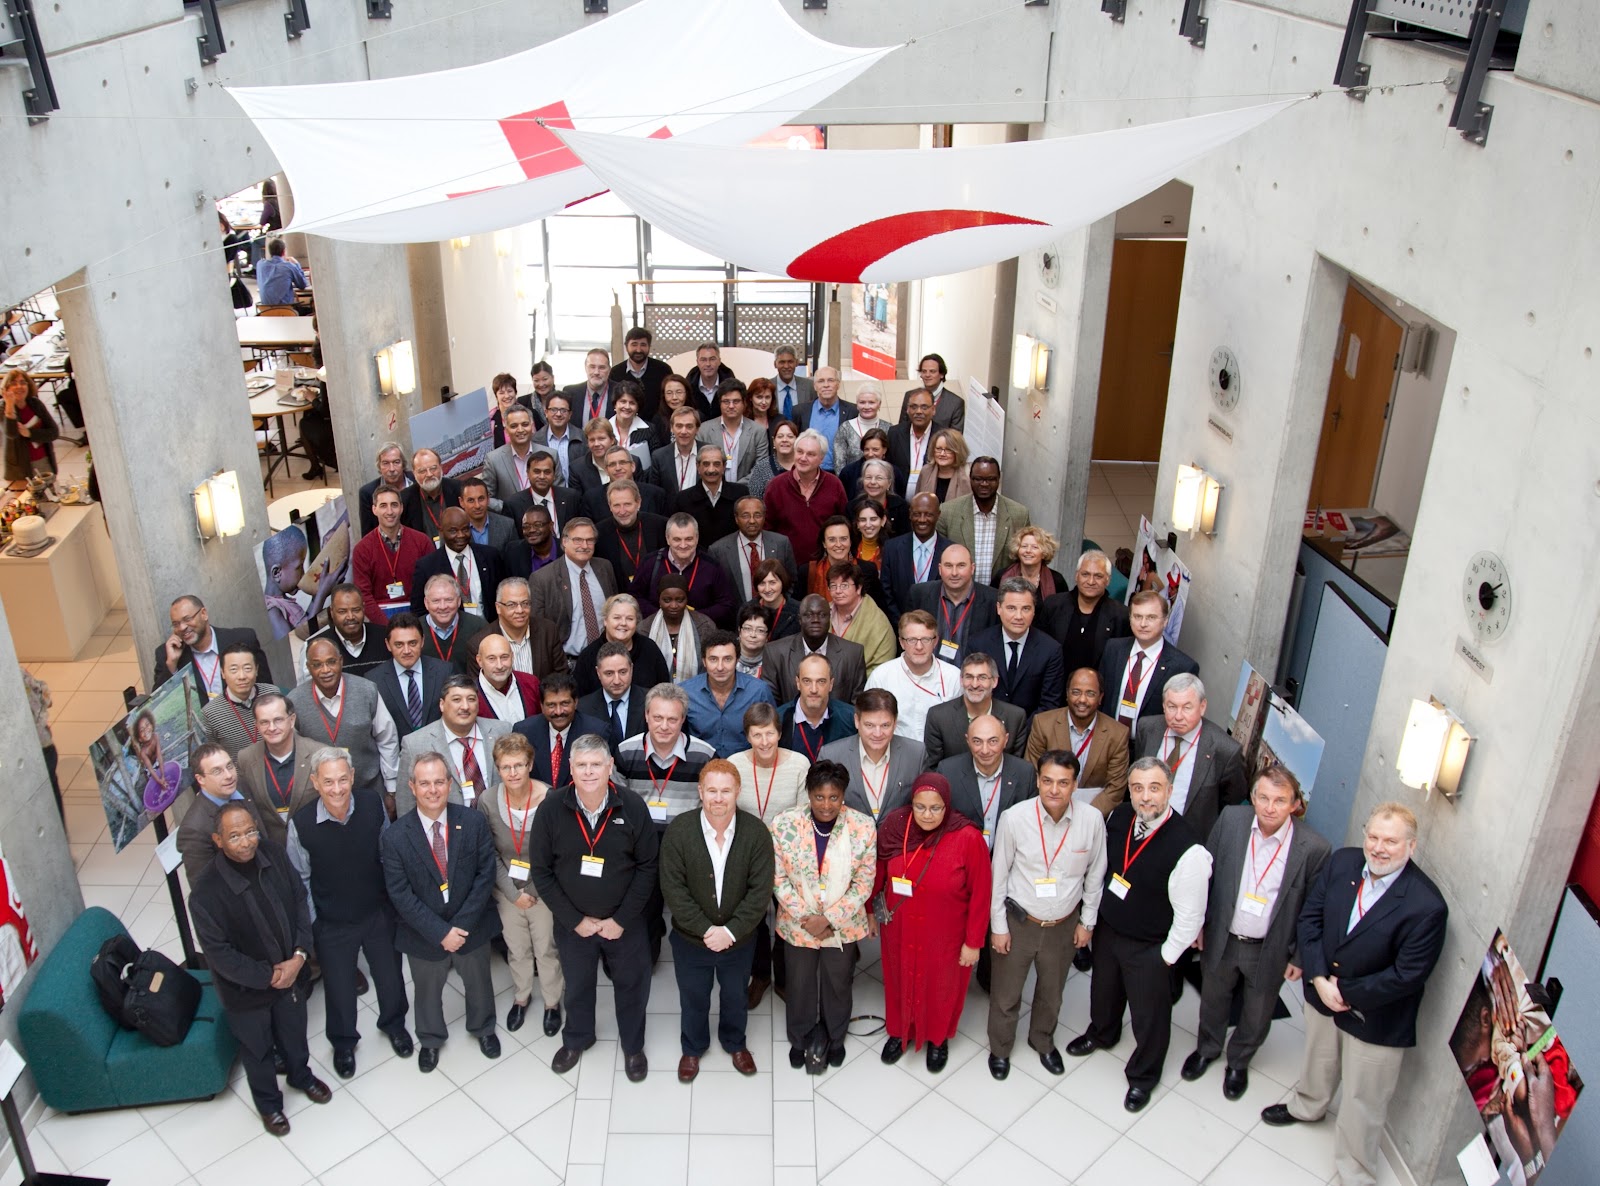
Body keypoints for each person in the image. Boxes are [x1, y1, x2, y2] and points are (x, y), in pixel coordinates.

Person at [1261, 803, 1448, 1186]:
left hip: (1375, 1018)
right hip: (1321, 992)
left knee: (1364, 1101)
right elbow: (1310, 918)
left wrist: (1343, 992)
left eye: (1391, 841)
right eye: (1374, 837)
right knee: (1318, 1060)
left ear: (1411, 847)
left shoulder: (1427, 905)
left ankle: (1356, 1173)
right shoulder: (1343, 862)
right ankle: (1308, 1106)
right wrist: (1317, 977)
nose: (1379, 848)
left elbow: (1407, 975)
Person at [1066, 757, 1213, 1113]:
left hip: (1152, 946)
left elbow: (1191, 917)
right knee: (1104, 991)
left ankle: (1144, 1075)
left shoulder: (1189, 850)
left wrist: (1165, 958)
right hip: (1111, 931)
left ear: (1169, 791)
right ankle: (1102, 1033)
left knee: (1150, 1016)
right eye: (1137, 788)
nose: (1145, 797)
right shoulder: (1119, 818)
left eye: (1154, 788)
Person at [1184, 767, 1332, 1100]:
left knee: (1258, 1010)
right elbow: (1204, 874)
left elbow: (1313, 908)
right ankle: (1207, 1049)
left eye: (1280, 800)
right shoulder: (1232, 821)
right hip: (1222, 935)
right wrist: (1198, 925)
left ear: (1295, 804)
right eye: (1263, 797)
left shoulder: (1314, 848)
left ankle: (1238, 1062)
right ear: (1252, 797)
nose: (1269, 807)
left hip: (1271, 947)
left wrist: (1298, 956)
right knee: (1213, 999)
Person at [189, 802, 330, 1136]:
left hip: (291, 973)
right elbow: (220, 955)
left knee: (294, 1036)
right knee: (258, 1050)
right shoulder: (205, 893)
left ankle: (301, 1076)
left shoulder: (273, 854)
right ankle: (270, 1106)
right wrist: (268, 976)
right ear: (218, 840)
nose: (247, 842)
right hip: (246, 992)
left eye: (250, 831)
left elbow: (298, 898)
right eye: (235, 836)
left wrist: (298, 957)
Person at [528, 734, 658, 1082]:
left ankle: (633, 1046)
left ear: (609, 766)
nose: (588, 772)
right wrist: (573, 920)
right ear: (570, 767)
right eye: (581, 765)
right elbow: (541, 871)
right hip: (575, 926)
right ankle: (578, 1038)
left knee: (632, 985)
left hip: (624, 924)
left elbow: (648, 867)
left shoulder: (631, 806)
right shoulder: (551, 809)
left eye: (596, 764)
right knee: (579, 984)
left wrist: (621, 920)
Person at [285, 747, 414, 1079]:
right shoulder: (301, 824)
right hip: (332, 923)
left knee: (390, 977)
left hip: (376, 912)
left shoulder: (372, 806)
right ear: (315, 782)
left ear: (353, 777)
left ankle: (394, 1025)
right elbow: (300, 881)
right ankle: (343, 1044)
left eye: (343, 779)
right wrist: (316, 925)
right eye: (328, 781)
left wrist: (393, 904)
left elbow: (387, 855)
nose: (337, 788)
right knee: (340, 990)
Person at [986, 749, 1106, 1079]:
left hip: (1063, 924)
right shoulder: (1015, 818)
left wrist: (1088, 922)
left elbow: (1096, 874)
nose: (1054, 790)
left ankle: (1042, 1041)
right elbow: (999, 877)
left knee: (1051, 993)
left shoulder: (1092, 821)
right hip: (1019, 921)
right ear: (1038, 780)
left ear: (1075, 785)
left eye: (1063, 783)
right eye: (1048, 781)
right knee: (1006, 994)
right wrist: (998, 926)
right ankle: (1000, 1048)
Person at [381, 751, 503, 1073]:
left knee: (478, 982)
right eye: (424, 783)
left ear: (450, 784)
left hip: (470, 925)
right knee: (427, 991)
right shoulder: (394, 836)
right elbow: (400, 894)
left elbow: (485, 875)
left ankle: (484, 1028)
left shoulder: (473, 821)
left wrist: (459, 928)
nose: (432, 790)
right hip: (423, 932)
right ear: (412, 786)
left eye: (439, 782)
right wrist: (440, 933)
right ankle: (431, 1039)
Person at [659, 759, 775, 1081]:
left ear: (738, 791)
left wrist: (731, 931)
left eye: (726, 790)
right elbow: (673, 889)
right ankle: (693, 1048)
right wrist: (708, 930)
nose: (719, 798)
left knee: (736, 995)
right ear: (700, 791)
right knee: (693, 995)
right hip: (690, 940)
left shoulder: (756, 833)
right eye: (712, 790)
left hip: (739, 941)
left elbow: (760, 891)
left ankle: (735, 1043)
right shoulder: (680, 831)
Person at [875, 772, 992, 1073]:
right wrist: (868, 913)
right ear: (911, 804)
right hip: (899, 928)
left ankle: (938, 1039)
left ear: (947, 806)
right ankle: (899, 1032)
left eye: (936, 808)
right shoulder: (895, 828)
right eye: (920, 807)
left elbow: (982, 893)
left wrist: (974, 942)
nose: (927, 815)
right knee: (900, 979)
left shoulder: (968, 837)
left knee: (941, 987)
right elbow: (877, 875)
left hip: (945, 935)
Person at [771, 760, 877, 1072]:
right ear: (809, 794)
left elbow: (864, 882)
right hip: (797, 924)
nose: (826, 805)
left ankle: (835, 1037)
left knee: (837, 984)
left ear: (843, 796)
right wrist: (808, 917)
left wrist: (828, 919)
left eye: (834, 797)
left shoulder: (862, 827)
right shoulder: (784, 824)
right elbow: (778, 879)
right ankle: (800, 1038)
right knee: (799, 984)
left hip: (841, 927)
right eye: (819, 797)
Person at [479, 733, 564, 1038]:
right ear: (497, 769)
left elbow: (559, 853)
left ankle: (553, 1003)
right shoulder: (487, 800)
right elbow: (488, 852)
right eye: (505, 767)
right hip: (507, 891)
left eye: (519, 765)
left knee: (546, 948)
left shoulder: (552, 797)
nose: (513, 773)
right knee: (517, 949)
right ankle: (522, 996)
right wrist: (514, 894)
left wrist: (534, 891)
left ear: (530, 765)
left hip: (543, 890)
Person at [1132, 672, 1248, 844]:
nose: (1178, 716)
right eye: (1172, 707)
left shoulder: (1225, 750)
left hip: (1188, 840)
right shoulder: (1147, 728)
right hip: (1144, 829)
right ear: (1163, 705)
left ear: (1202, 707)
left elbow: (1231, 802)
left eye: (1187, 708)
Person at [288, 638, 399, 810]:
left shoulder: (367, 690)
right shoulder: (295, 702)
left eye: (331, 662)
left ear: (341, 661)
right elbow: (293, 753)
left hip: (369, 791)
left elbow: (387, 739)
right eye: (317, 665)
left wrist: (391, 789)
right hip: (322, 799)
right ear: (309, 668)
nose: (326, 670)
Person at [396, 673, 513, 814]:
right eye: (456, 700)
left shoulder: (502, 731)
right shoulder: (414, 743)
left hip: (499, 824)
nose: (465, 706)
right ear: (442, 704)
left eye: (471, 699)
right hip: (446, 829)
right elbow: (405, 802)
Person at [1026, 667, 1132, 816]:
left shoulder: (1117, 733)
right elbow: (1032, 775)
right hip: (1048, 811)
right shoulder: (1043, 724)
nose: (1082, 699)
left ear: (1100, 697)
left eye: (1090, 693)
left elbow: (1115, 789)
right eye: (1076, 692)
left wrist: (1084, 818)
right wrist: (1054, 810)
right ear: (1067, 694)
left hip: (1094, 815)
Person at [820, 688, 926, 824]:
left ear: (895, 723)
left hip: (899, 841)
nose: (877, 733)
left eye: (885, 725)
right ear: (857, 721)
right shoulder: (832, 755)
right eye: (869, 725)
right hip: (847, 840)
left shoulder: (915, 753)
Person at [1097, 590, 1199, 729]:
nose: (1143, 624)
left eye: (1151, 617)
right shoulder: (1113, 648)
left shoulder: (1182, 667)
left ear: (1165, 621)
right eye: (1137, 616)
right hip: (1108, 737)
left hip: (1148, 746)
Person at [969, 577, 1066, 720]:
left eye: (1026, 609)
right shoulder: (978, 644)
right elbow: (972, 692)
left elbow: (1048, 704)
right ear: (999, 608)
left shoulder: (1050, 650)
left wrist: (1019, 733)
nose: (1019, 616)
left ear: (1034, 611)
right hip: (984, 729)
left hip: (1030, 734)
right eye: (1011, 608)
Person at [937, 713, 1038, 846]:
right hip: (962, 854)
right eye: (977, 741)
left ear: (1006, 740)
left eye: (993, 741)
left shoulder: (1024, 772)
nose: (985, 750)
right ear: (968, 740)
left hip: (1010, 855)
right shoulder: (948, 771)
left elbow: (1030, 824)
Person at [864, 609, 961, 743]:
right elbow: (867, 722)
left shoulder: (954, 677)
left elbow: (960, 726)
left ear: (935, 641)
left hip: (940, 755)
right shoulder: (881, 676)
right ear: (902, 642)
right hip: (894, 754)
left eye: (926, 639)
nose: (919, 646)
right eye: (912, 640)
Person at [236, 693, 319, 848]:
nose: (272, 728)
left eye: (278, 720)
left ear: (292, 720)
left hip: (314, 846)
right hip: (273, 851)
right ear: (257, 725)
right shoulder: (245, 758)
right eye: (264, 722)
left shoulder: (318, 754)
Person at [528, 517, 617, 658]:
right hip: (568, 662)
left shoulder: (605, 568)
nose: (584, 545)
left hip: (607, 657)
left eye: (590, 540)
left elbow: (614, 610)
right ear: (564, 542)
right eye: (578, 540)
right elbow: (537, 628)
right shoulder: (542, 578)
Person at [921, 651, 1027, 769]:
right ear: (961, 681)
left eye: (982, 677)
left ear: (995, 681)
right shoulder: (938, 716)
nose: (975, 684)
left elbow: (1016, 769)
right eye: (969, 677)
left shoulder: (1015, 717)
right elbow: (932, 768)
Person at [763, 428, 848, 574]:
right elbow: (767, 529)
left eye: (810, 454)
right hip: (786, 568)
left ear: (821, 458)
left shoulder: (834, 485)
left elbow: (844, 524)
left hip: (825, 568)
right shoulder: (776, 486)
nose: (803, 458)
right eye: (800, 451)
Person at [177, 743, 262, 885]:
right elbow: (204, 887)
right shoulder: (193, 829)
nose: (229, 775)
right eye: (217, 771)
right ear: (200, 779)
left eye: (229, 766)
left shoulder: (240, 785)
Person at [152, 594, 272, 695]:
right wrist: (171, 667)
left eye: (188, 619)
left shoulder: (243, 639)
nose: (182, 627)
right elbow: (155, 707)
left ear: (204, 614)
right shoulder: (167, 654)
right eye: (176, 624)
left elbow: (266, 688)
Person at [632, 512, 737, 626]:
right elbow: (635, 597)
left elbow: (726, 605)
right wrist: (664, 615)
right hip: (657, 628)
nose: (683, 545)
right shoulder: (650, 563)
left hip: (699, 630)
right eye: (677, 539)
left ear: (697, 538)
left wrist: (694, 617)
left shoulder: (711, 566)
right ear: (667, 539)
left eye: (688, 539)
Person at [683, 629, 777, 758]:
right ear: (704, 662)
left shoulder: (758, 691)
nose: (720, 667)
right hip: (698, 770)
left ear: (737, 660)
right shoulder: (685, 692)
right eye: (713, 659)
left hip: (747, 770)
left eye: (727, 659)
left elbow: (772, 734)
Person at [938, 457, 1031, 586]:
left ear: (999, 480)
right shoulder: (948, 512)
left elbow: (1025, 561)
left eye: (990, 479)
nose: (984, 484)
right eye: (978, 479)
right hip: (958, 594)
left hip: (1001, 595)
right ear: (970, 479)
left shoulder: (1019, 514)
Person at [904, 545, 1000, 666]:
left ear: (972, 568)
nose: (954, 573)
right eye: (948, 566)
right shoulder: (919, 594)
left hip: (972, 680)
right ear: (940, 569)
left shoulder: (992, 599)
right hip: (927, 677)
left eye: (961, 565)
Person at [408, 507, 504, 623]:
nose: (460, 535)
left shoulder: (490, 556)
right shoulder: (427, 566)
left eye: (465, 529)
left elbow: (502, 597)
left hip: (488, 630)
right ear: (441, 531)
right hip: (450, 634)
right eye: (453, 531)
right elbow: (418, 611)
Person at [352, 486, 434, 623]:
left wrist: (419, 622)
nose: (389, 511)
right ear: (374, 509)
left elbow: (433, 583)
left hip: (419, 614)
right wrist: (386, 626)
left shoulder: (422, 542)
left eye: (394, 505)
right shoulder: (362, 549)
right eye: (383, 506)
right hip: (380, 617)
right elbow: (363, 595)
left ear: (401, 508)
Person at [514, 673, 606, 789]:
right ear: (541, 706)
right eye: (551, 705)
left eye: (564, 703)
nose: (558, 711)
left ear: (576, 702)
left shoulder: (596, 731)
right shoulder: (524, 732)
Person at [469, 576, 569, 681]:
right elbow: (478, 689)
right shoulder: (479, 643)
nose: (520, 610)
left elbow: (561, 676)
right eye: (511, 605)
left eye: (525, 603)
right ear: (498, 608)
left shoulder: (548, 631)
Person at [367, 612, 450, 738]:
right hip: (397, 754)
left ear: (422, 641)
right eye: (399, 644)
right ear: (388, 645)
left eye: (412, 643)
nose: (406, 651)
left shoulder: (444, 672)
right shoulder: (373, 680)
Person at [573, 593, 670, 696]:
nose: (623, 623)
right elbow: (580, 700)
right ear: (605, 620)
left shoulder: (649, 649)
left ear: (636, 622)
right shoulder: (589, 656)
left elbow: (665, 691)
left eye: (629, 619)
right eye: (617, 618)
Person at [708, 496, 798, 604]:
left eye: (757, 515)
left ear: (764, 517)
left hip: (775, 614)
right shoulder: (718, 550)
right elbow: (716, 591)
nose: (752, 521)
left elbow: (791, 581)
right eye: (745, 515)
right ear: (736, 519)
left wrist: (779, 605)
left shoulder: (781, 543)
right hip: (736, 617)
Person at [201, 641, 277, 759]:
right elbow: (213, 756)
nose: (241, 676)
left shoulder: (272, 694)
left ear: (256, 670)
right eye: (233, 670)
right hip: (240, 776)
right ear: (223, 673)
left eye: (247, 668)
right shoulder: (211, 713)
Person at [880, 492, 948, 620]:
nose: (922, 520)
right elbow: (886, 591)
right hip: (900, 628)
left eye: (928, 514)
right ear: (910, 514)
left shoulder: (949, 550)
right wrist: (902, 624)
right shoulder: (892, 548)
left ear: (938, 515)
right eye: (917, 514)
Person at [261, 525, 338, 636]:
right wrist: (321, 594)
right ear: (277, 573)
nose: (303, 573)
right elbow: (300, 637)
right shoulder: (273, 612)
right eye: (299, 567)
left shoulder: (284, 601)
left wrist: (318, 593)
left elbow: (306, 621)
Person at [779, 653, 857, 759]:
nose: (814, 689)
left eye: (821, 681)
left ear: (831, 684)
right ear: (798, 683)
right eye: (807, 681)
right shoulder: (779, 719)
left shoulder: (851, 718)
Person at [302, 583, 390, 677]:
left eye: (356, 610)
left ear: (364, 609)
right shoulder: (313, 646)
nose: (350, 617)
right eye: (342, 611)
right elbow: (307, 688)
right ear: (332, 612)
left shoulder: (386, 638)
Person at [640, 574, 715, 681]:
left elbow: (712, 663)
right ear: (659, 600)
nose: (674, 605)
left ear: (687, 599)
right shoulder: (645, 628)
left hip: (697, 691)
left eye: (680, 600)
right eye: (667, 600)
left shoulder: (704, 625)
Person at [826, 561, 894, 676]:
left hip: (862, 687)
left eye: (844, 585)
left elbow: (882, 668)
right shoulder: (824, 612)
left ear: (858, 588)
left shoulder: (878, 622)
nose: (838, 591)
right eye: (833, 586)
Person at [594, 478, 667, 587]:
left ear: (638, 503)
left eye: (627, 504)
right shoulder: (599, 533)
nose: (622, 511)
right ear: (610, 506)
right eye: (616, 505)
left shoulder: (660, 526)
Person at [579, 641, 647, 755]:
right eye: (609, 673)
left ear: (631, 669)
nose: (616, 681)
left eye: (623, 672)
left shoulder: (650, 701)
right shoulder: (583, 708)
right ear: (598, 673)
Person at [697, 379, 770, 484]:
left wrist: (735, 490)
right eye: (726, 401)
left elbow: (760, 469)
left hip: (745, 493)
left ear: (744, 403)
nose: (731, 406)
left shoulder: (758, 431)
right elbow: (700, 465)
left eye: (736, 401)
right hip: (712, 491)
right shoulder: (704, 430)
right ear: (720, 403)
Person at [416, 574, 489, 672]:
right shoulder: (415, 630)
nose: (442, 606)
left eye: (449, 600)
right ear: (426, 603)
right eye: (436, 601)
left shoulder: (479, 628)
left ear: (459, 601)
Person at [792, 366, 856, 472]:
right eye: (821, 381)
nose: (826, 385)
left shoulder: (852, 411)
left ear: (838, 384)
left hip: (840, 474)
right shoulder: (800, 411)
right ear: (815, 386)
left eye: (831, 380)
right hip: (808, 473)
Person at [503, 449, 580, 535]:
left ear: (554, 475)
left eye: (547, 472)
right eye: (537, 472)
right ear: (528, 473)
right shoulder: (513, 504)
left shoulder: (571, 497)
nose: (542, 476)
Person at [473, 631, 540, 722]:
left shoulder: (531, 683)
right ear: (479, 661)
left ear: (512, 657)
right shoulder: (471, 694)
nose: (499, 666)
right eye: (491, 659)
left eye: (504, 657)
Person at [401, 448, 461, 544]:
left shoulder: (458, 489)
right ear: (414, 473)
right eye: (422, 471)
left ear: (440, 468)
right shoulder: (404, 500)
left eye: (433, 468)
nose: (429, 474)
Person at [610, 326, 670, 421]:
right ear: (626, 346)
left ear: (649, 347)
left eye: (643, 345)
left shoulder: (663, 370)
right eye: (634, 344)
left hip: (658, 426)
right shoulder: (616, 372)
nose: (638, 349)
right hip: (625, 425)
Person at [887, 389, 937, 498]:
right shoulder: (894, 433)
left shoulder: (942, 435)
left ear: (933, 410)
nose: (918, 411)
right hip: (899, 500)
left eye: (924, 407)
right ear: (908, 410)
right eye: (913, 407)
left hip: (932, 501)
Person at [997, 524, 1069, 598]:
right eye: (1024, 546)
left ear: (1044, 553)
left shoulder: (1057, 580)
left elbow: (1063, 607)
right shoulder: (1002, 576)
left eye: (1035, 547)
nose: (1028, 551)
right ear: (1017, 550)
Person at [357, 442, 413, 536]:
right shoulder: (367, 493)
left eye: (396, 462)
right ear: (379, 466)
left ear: (403, 463)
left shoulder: (417, 481)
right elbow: (367, 534)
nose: (391, 469)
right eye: (385, 463)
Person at [649, 405, 703, 498]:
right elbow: (655, 493)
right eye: (679, 426)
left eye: (689, 426)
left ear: (697, 429)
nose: (683, 431)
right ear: (671, 428)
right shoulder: (659, 457)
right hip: (670, 512)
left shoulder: (708, 452)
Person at [900, 352, 965, 430]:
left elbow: (955, 438)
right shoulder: (910, 396)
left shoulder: (955, 403)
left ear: (942, 374)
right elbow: (901, 429)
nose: (927, 375)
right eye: (924, 371)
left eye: (932, 371)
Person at [831, 382, 886, 474]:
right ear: (857, 404)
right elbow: (839, 463)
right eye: (862, 402)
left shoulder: (888, 428)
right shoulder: (845, 428)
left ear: (879, 404)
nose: (866, 406)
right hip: (851, 483)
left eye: (871, 402)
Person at [531, 391, 581, 488]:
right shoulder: (535, 440)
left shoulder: (582, 438)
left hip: (577, 496)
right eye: (553, 410)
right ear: (546, 412)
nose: (558, 414)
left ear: (570, 414)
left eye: (563, 410)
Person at [743, 416, 798, 498]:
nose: (785, 440)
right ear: (774, 441)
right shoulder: (761, 468)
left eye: (790, 436)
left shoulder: (804, 465)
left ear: (797, 440)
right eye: (780, 436)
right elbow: (755, 500)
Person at [458, 475, 517, 552]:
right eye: (471, 500)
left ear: (488, 499)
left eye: (481, 499)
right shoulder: (454, 531)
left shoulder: (507, 526)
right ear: (461, 502)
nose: (477, 505)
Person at [914, 427, 972, 504]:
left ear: (958, 451)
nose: (942, 454)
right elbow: (917, 502)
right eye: (938, 449)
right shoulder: (926, 471)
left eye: (948, 449)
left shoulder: (969, 473)